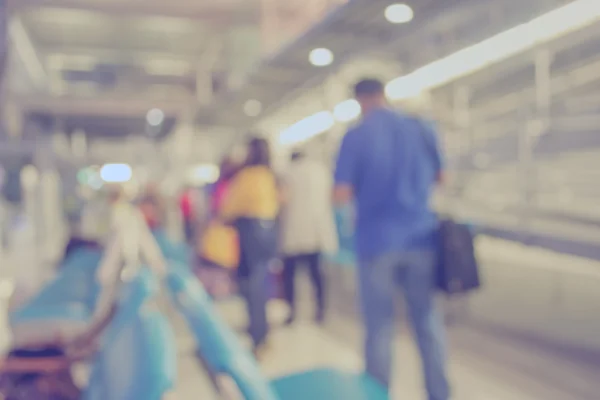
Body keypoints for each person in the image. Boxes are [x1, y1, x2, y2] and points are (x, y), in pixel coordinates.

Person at [333, 78, 449, 399]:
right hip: (421, 239)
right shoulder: (421, 128)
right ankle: (440, 394)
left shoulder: (356, 137)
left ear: (360, 100)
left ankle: (378, 394)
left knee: (379, 328)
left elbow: (341, 194)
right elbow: (443, 176)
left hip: (376, 242)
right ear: (384, 94)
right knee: (427, 323)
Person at [220, 137, 279, 357]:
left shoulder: (246, 176)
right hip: (268, 230)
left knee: (251, 285)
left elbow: (229, 208)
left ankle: (258, 336)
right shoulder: (269, 175)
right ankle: (262, 331)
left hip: (250, 232)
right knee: (261, 282)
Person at [279, 150, 337, 325]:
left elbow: (282, 200)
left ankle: (292, 311)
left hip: (294, 231)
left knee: (290, 276)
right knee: (316, 274)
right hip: (316, 231)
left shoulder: (287, 173)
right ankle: (320, 310)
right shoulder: (320, 171)